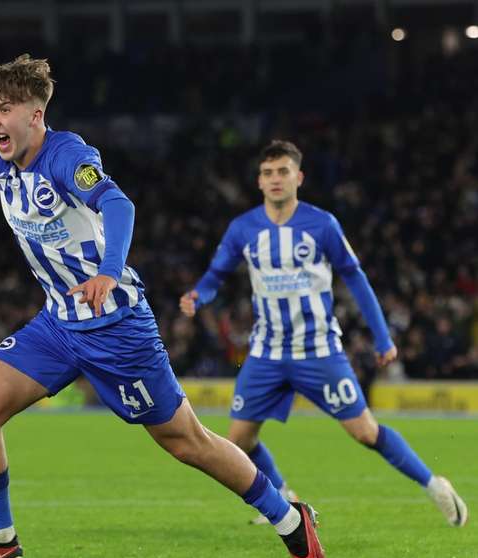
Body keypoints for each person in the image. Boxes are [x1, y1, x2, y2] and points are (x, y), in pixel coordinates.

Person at [0, 22, 326, 558]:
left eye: (3, 110)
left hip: (117, 326)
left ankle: (288, 520)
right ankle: (1, 542)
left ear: (35, 115)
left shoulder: (66, 156)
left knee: (186, 442)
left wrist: (107, 272)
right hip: (59, 322)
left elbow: (117, 201)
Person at [180, 140, 468, 528]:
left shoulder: (322, 224)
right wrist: (200, 294)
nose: (275, 179)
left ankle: (434, 485)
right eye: (268, 173)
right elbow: (216, 275)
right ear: (259, 182)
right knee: (239, 441)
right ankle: (287, 501)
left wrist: (382, 338)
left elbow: (356, 278)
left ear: (298, 177)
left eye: (283, 172)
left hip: (318, 351)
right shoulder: (243, 228)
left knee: (365, 432)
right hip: (266, 352)